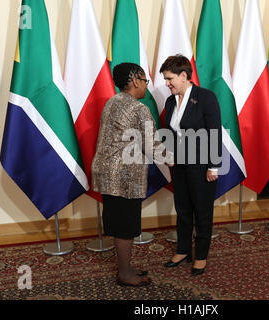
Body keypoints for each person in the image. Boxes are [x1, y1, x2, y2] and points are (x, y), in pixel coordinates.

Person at [92, 63, 172, 287]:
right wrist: (174, 159)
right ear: (135, 80)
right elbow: (152, 144)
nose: (147, 86)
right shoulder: (139, 108)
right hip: (122, 175)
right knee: (125, 226)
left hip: (106, 171)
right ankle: (125, 273)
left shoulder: (112, 102)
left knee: (119, 223)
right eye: (145, 80)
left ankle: (126, 267)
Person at [160, 55, 222, 276]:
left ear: (184, 76)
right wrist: (168, 154)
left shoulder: (206, 97)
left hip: (202, 165)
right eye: (166, 79)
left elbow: (214, 132)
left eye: (169, 79)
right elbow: (169, 133)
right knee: (183, 209)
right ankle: (183, 250)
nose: (167, 83)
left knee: (202, 211)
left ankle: (201, 255)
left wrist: (214, 166)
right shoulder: (170, 101)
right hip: (179, 166)